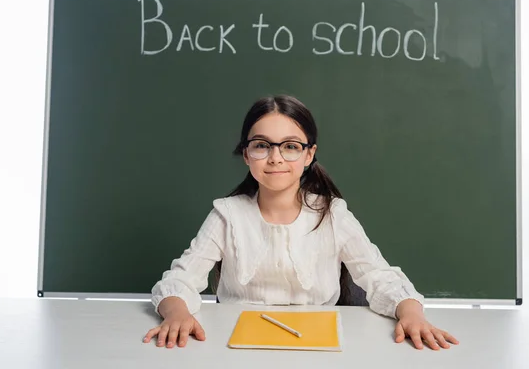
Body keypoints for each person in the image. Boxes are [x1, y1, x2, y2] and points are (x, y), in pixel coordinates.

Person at [143, 94, 459, 350]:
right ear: (246, 154)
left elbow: (380, 276)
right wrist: (176, 312)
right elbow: (181, 279)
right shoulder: (227, 215)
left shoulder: (332, 214)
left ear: (309, 155)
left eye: (291, 147)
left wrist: (412, 313)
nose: (276, 158)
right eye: (262, 145)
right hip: (235, 348)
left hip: (319, 348)